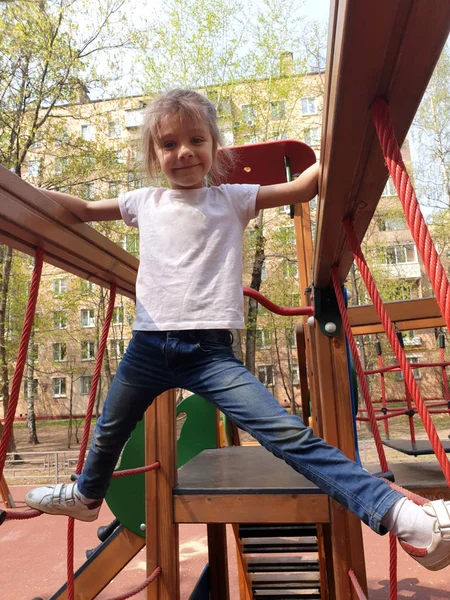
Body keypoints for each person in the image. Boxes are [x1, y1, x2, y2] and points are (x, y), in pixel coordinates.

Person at [26, 89, 450, 572]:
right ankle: (86, 495)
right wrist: (22, 191)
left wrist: (348, 144)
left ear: (214, 147)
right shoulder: (143, 202)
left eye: (195, 139)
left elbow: (303, 187)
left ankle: (408, 519)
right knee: (107, 431)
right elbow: (78, 208)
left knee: (288, 435)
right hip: (147, 346)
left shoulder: (231, 198)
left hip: (209, 353)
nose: (183, 151)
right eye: (168, 144)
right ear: (153, 154)